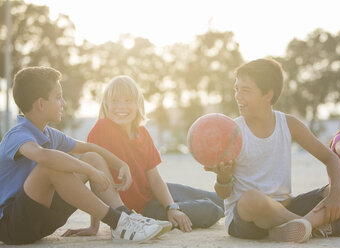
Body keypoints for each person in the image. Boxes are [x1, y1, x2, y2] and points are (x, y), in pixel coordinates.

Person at [0, 67, 167, 245]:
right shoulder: (17, 135)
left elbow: (90, 148)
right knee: (50, 167)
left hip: (42, 221)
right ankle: (119, 222)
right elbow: (44, 156)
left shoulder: (50, 134)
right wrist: (90, 171)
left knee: (92, 157)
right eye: (58, 97)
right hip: (14, 226)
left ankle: (125, 217)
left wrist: (120, 164)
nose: (63, 103)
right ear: (41, 104)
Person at [63, 75, 224, 237]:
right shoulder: (102, 129)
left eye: (128, 100)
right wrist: (94, 227)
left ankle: (238, 204)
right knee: (209, 210)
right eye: (115, 101)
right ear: (106, 104)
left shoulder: (143, 133)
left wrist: (171, 207)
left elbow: (154, 178)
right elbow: (96, 180)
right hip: (141, 211)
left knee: (216, 198)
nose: (121, 106)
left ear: (138, 103)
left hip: (152, 193)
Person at [206, 58, 340, 243]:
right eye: (236, 89)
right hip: (248, 218)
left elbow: (330, 158)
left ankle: (291, 229)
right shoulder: (233, 132)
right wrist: (223, 178)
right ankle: (310, 225)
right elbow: (223, 194)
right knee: (251, 198)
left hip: (286, 206)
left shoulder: (289, 124)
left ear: (268, 95)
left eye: (245, 90)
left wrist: (335, 191)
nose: (238, 96)